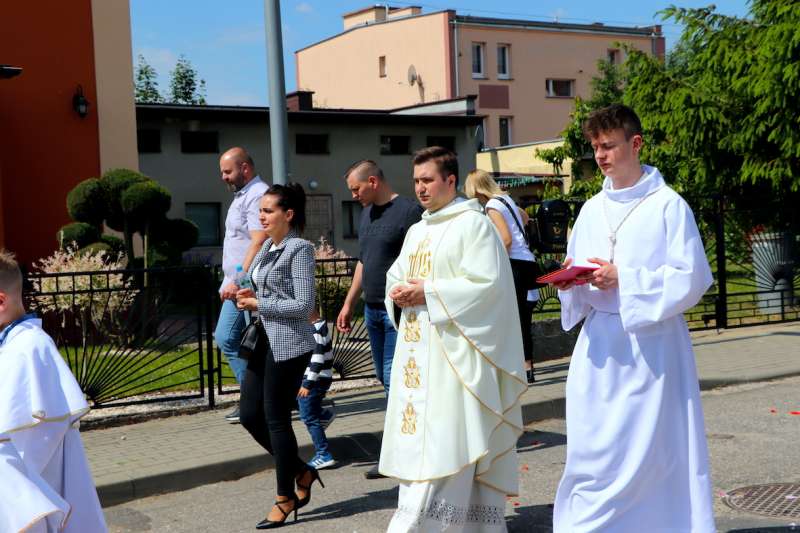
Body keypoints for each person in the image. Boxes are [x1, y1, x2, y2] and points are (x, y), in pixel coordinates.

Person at [551, 104, 716, 532]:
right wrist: (572, 283)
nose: (600, 156)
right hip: (599, 347)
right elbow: (581, 269)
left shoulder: (668, 206)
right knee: (595, 449)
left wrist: (625, 278)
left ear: (635, 143)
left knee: (650, 449)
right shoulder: (591, 210)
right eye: (595, 147)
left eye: (608, 146)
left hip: (651, 345)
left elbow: (692, 277)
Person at [381, 147, 527, 532]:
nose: (421, 188)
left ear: (450, 180)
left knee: (449, 445)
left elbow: (488, 286)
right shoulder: (417, 230)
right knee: (421, 448)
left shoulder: (474, 225)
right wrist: (398, 291)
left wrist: (428, 291)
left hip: (455, 360)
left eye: (428, 180)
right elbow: (396, 275)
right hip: (417, 354)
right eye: (416, 181)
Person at [235, 184, 324, 529]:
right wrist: (249, 294)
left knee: (276, 420)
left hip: (289, 344)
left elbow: (303, 305)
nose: (262, 216)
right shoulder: (267, 247)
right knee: (249, 415)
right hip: (264, 340)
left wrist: (260, 302)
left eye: (269, 210)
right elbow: (267, 290)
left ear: (288, 214)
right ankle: (302, 471)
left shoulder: (299, 249)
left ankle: (284, 497)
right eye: (261, 210)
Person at [0, 249, 107, 533]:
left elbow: (25, 449)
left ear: (1, 301)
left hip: (35, 498)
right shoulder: (13, 345)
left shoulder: (28, 350)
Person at [336, 159, 422, 479]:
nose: (354, 195)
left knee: (392, 378)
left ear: (373, 182)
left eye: (356, 189)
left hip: (397, 310)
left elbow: (420, 258)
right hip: (372, 310)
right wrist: (348, 303)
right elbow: (364, 261)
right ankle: (403, 447)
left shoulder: (409, 212)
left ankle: (397, 452)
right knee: (385, 378)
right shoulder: (366, 214)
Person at [465, 169, 538, 383]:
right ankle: (527, 366)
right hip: (527, 262)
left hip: (514, 264)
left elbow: (506, 239)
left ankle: (518, 367)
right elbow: (525, 217)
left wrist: (494, 264)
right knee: (523, 317)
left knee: (511, 317)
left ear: (476, 189)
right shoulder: (506, 199)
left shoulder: (491, 206)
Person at [214, 147, 268, 423]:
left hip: (248, 283)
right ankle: (261, 399)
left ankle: (255, 400)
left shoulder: (257, 195)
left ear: (245, 168)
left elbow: (258, 241)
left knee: (227, 337)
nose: (223, 177)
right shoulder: (243, 196)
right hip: (240, 281)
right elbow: (238, 242)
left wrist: (236, 281)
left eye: (228, 171)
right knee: (251, 343)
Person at [298, 309, 336, 470]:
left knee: (309, 417)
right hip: (319, 378)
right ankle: (324, 415)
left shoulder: (315, 330)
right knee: (308, 410)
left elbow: (317, 359)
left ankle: (324, 454)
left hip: (314, 380)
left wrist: (307, 384)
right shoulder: (319, 326)